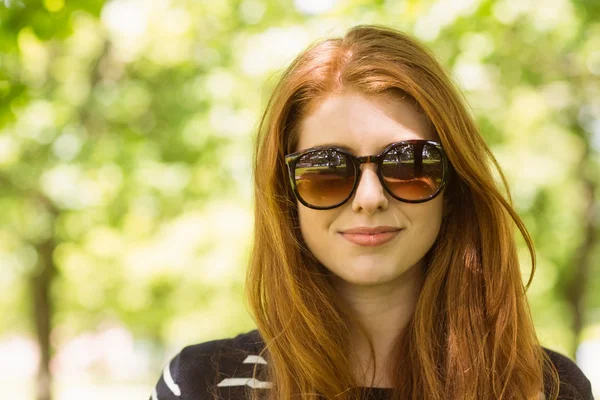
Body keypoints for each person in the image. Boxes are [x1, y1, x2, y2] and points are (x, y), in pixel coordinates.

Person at [150, 25, 594, 400]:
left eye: (409, 165)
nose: (369, 197)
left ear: (453, 186)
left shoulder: (546, 387)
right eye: (326, 171)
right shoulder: (199, 384)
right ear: (286, 195)